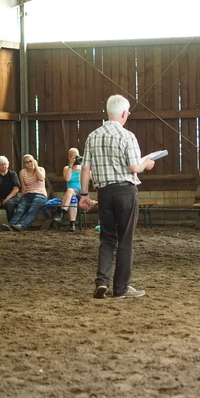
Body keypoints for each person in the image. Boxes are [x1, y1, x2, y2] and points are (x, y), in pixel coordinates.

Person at [78, 94, 155, 299]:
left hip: (104, 193)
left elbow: (85, 169)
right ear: (123, 113)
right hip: (125, 192)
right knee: (125, 240)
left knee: (107, 239)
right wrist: (146, 164)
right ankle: (120, 288)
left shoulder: (93, 136)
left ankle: (102, 281)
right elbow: (133, 166)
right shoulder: (127, 136)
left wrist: (84, 194)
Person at [1, 155, 47, 231]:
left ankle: (22, 225)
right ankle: (10, 225)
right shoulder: (22, 172)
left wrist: (36, 166)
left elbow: (41, 178)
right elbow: (23, 187)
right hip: (28, 194)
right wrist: (24, 197)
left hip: (40, 195)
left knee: (32, 210)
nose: (29, 164)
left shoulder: (41, 169)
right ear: (24, 164)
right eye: (26, 162)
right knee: (20, 210)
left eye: (30, 161)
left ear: (34, 161)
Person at [53, 148, 83, 231]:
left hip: (81, 193)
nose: (75, 159)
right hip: (71, 195)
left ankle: (62, 214)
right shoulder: (66, 168)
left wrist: (83, 165)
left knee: (69, 190)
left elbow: (91, 177)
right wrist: (71, 165)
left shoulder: (82, 168)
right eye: (73, 157)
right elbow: (67, 179)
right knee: (72, 199)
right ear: (69, 157)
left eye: (77, 156)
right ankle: (72, 225)